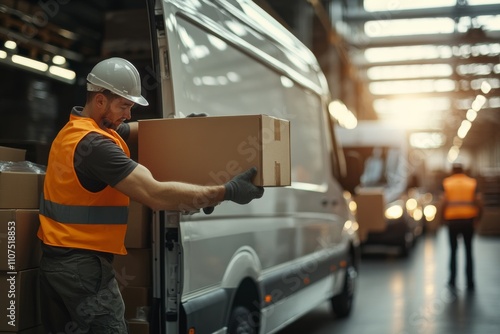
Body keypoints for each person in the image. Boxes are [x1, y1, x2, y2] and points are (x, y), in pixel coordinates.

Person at [37, 57, 264, 333]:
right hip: (82, 268)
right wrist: (225, 191)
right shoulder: (96, 145)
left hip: (56, 263)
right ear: (99, 101)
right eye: (124, 106)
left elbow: (136, 130)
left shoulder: (77, 130)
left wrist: (179, 128)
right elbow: (154, 193)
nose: (129, 115)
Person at [441, 162, 482, 291]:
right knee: (469, 251)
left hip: (452, 222)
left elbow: (443, 202)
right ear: (463, 171)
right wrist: (478, 219)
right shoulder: (472, 183)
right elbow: (479, 202)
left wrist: (442, 219)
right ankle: (470, 282)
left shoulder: (446, 183)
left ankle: (452, 281)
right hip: (468, 221)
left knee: (453, 251)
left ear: (452, 171)